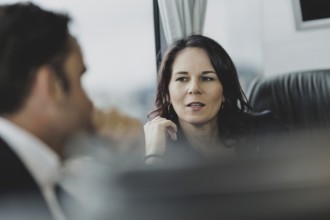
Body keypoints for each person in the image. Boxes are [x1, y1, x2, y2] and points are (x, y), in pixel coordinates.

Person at [0, 2, 93, 220]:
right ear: (53, 86)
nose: (89, 103)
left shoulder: (41, 174)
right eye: (80, 79)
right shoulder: (9, 199)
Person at [144, 34, 288, 165]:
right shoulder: (161, 151)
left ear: (225, 90)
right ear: (167, 93)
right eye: (182, 79)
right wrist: (154, 155)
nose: (194, 88)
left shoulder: (266, 130)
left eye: (207, 78)